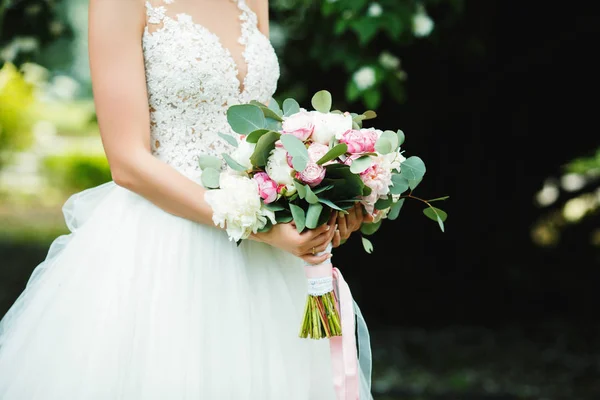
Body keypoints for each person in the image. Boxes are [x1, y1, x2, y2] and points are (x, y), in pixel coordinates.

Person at [0, 0, 373, 398]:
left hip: (265, 251)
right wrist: (258, 228)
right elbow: (127, 162)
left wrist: (313, 198)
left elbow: (262, 135)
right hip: (165, 240)